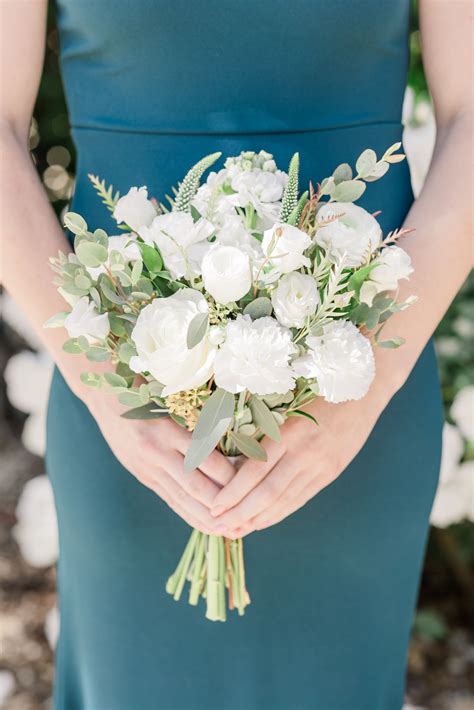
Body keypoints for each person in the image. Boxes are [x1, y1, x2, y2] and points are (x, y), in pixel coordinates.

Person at [0, 1, 472, 708]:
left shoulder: (362, 394)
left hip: (358, 390)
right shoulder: (117, 403)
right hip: (129, 409)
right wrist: (104, 384)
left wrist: (368, 384)